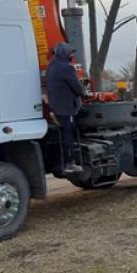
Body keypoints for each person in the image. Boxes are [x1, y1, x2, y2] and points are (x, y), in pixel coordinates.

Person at [46, 42, 85, 174]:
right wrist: (83, 92)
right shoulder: (66, 68)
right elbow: (77, 87)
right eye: (71, 53)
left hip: (55, 107)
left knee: (63, 135)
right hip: (66, 107)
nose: (73, 56)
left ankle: (62, 163)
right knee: (69, 135)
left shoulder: (51, 66)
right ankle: (70, 163)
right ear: (66, 54)